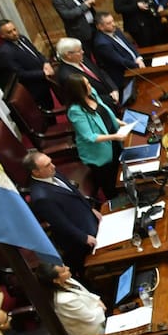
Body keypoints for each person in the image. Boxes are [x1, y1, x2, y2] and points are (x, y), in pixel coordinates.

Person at [24, 150, 99, 273]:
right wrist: (84, 237)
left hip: (87, 217)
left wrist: (90, 209)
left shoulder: (50, 172)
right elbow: (60, 223)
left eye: (51, 162)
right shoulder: (41, 197)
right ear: (36, 172)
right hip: (79, 236)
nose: (53, 166)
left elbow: (73, 191)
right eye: (47, 165)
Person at [63, 73, 126, 201]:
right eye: (87, 85)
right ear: (78, 90)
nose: (90, 86)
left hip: (113, 140)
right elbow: (89, 136)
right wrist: (114, 136)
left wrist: (120, 123)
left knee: (121, 170)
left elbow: (106, 113)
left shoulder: (92, 94)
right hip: (99, 153)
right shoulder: (75, 111)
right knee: (110, 183)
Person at [35, 261, 105, 335]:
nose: (68, 268)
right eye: (64, 270)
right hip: (92, 334)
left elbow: (86, 293)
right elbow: (91, 318)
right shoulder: (64, 300)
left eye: (64, 266)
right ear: (56, 280)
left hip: (98, 317)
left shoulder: (67, 280)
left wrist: (98, 300)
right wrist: (101, 308)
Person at [0, 19, 55, 110]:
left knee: (52, 104)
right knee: (47, 109)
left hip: (45, 79)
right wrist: (43, 73)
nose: (14, 33)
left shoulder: (22, 38)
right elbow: (20, 74)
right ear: (2, 35)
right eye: (9, 32)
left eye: (14, 29)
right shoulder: (6, 52)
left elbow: (37, 53)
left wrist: (46, 62)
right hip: (34, 86)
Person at [54, 37, 118, 107]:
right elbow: (84, 98)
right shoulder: (67, 76)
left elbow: (101, 72)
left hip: (110, 95)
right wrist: (111, 99)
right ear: (68, 55)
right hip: (99, 106)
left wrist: (114, 88)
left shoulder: (81, 58)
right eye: (79, 51)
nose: (83, 52)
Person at [91, 12, 146, 90]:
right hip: (125, 74)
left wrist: (139, 58)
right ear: (100, 27)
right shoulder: (102, 43)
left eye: (113, 21)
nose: (113, 24)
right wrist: (138, 65)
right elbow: (120, 61)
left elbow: (130, 45)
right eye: (109, 23)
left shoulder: (116, 30)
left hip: (136, 63)